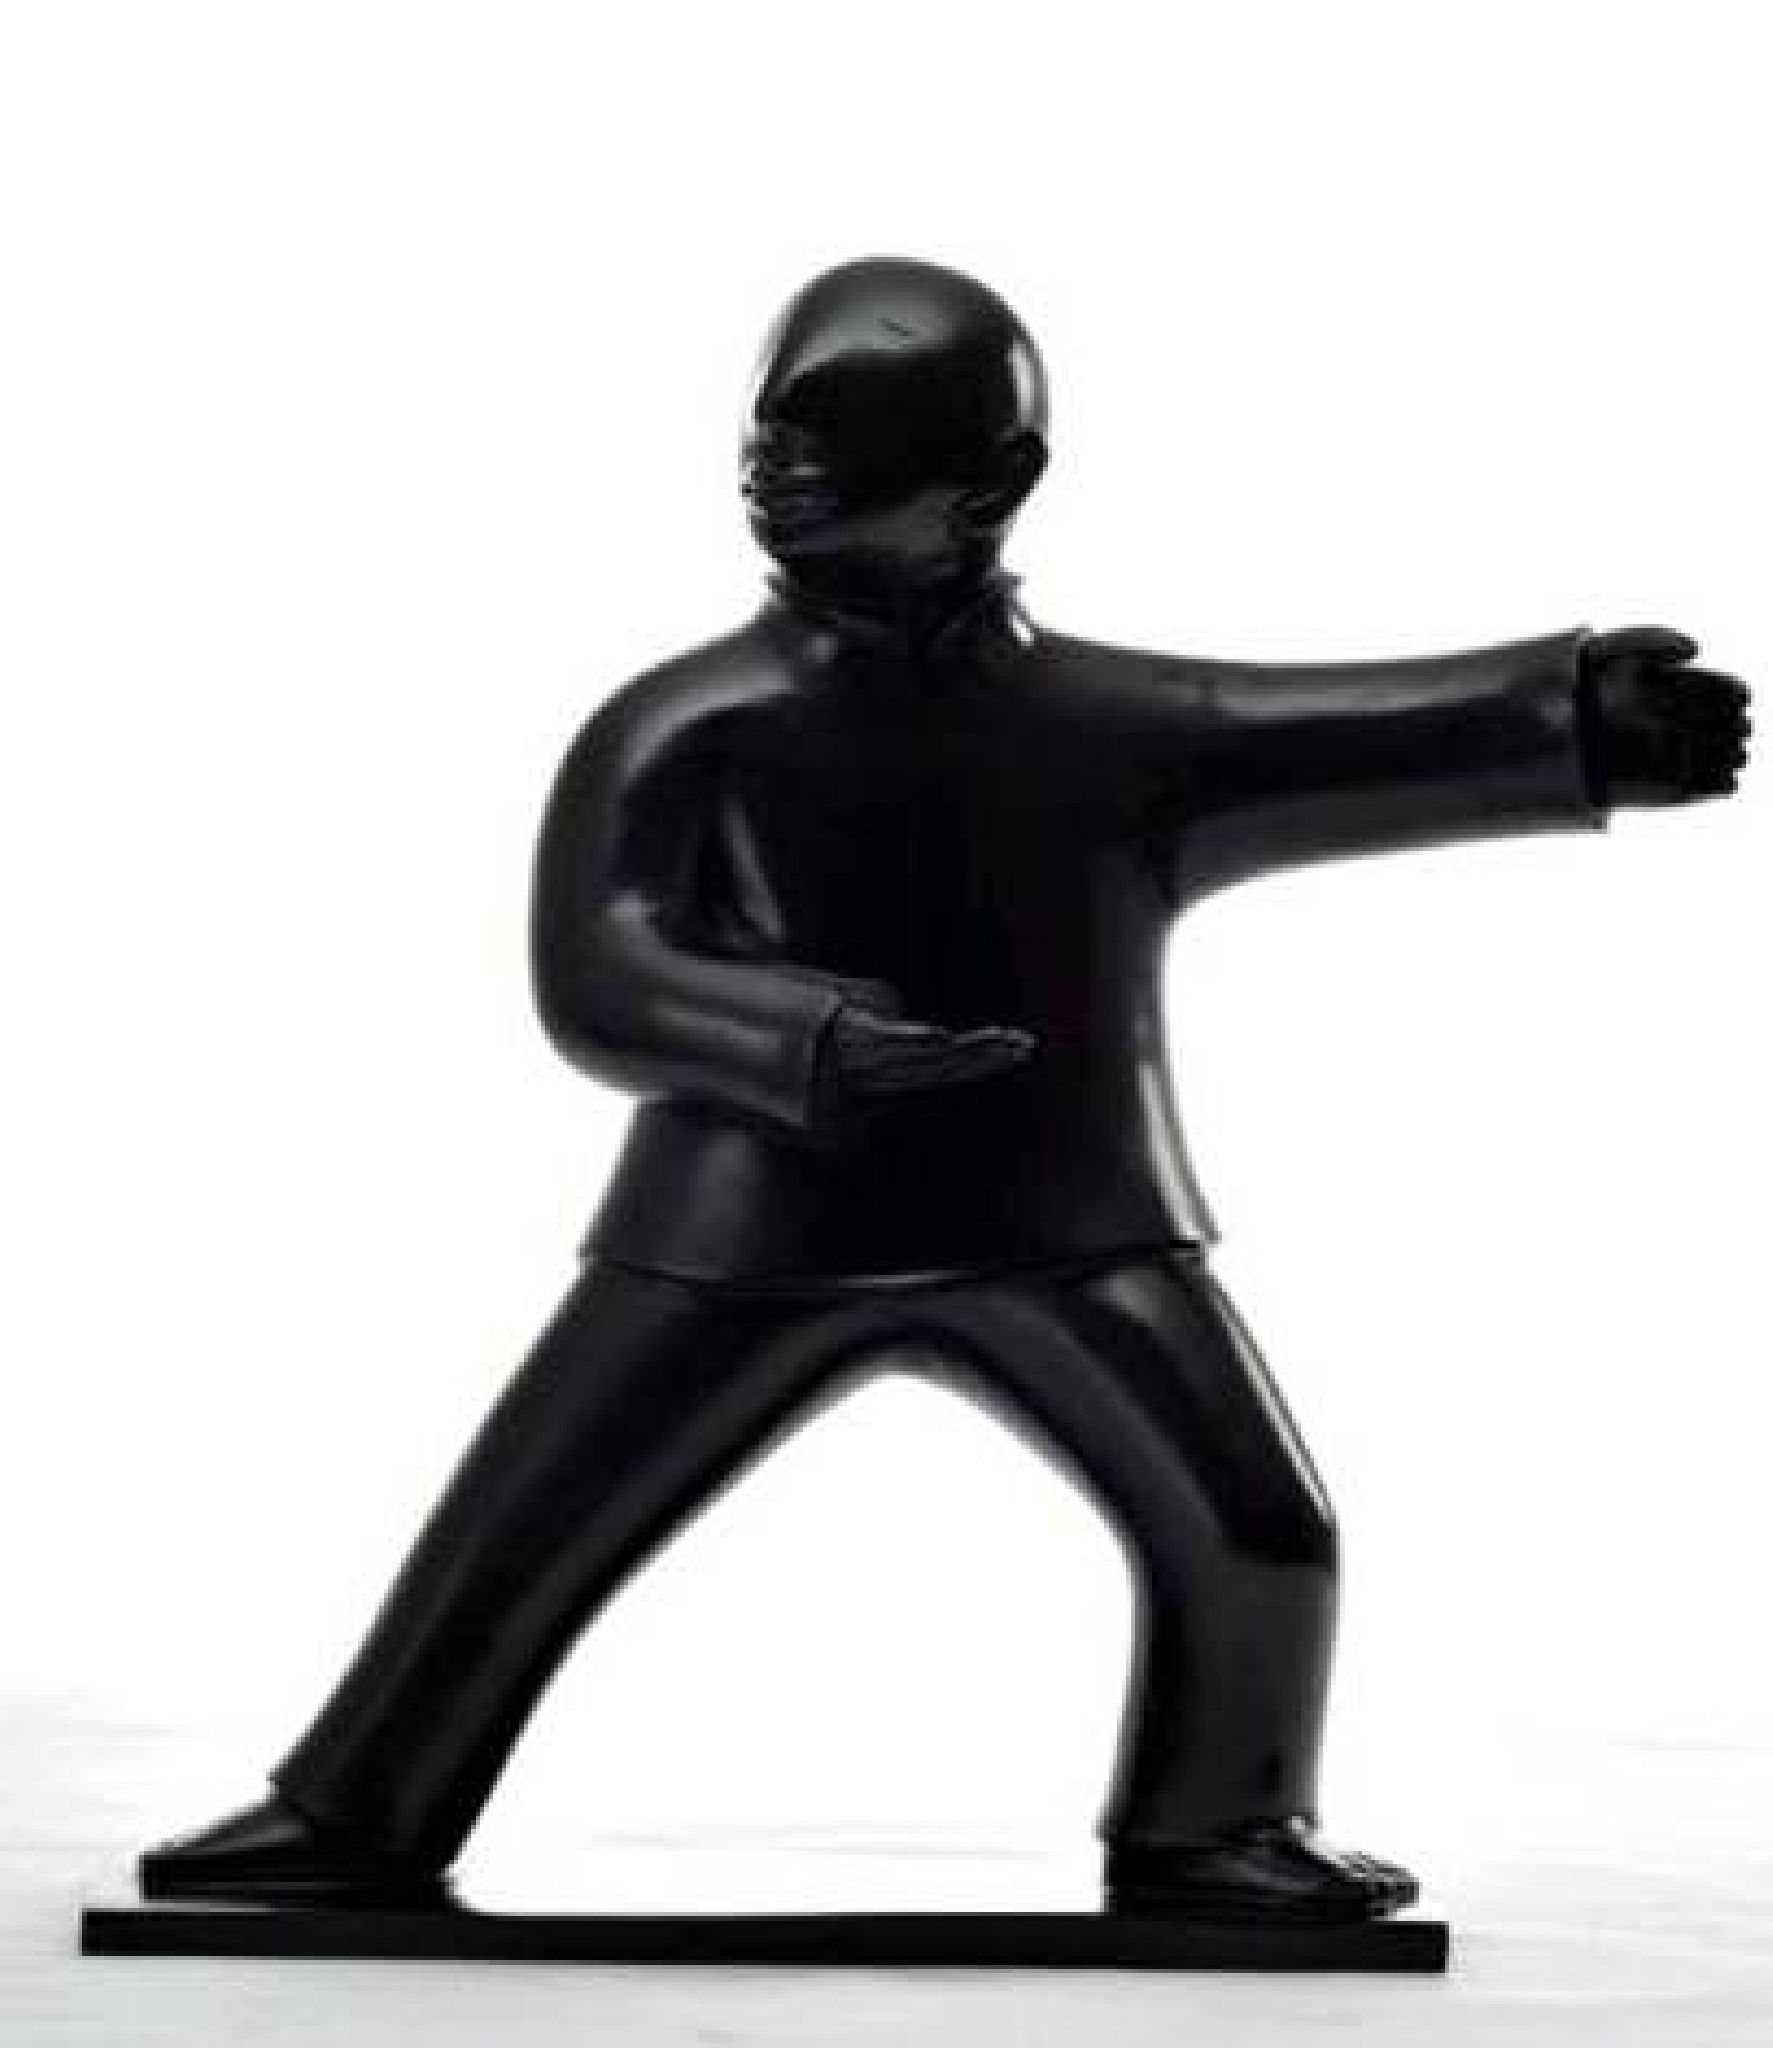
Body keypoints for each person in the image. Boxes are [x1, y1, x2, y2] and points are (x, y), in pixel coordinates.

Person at [143, 258, 1749, 1921]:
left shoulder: (1108, 726)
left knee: (1259, 1531)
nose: (769, 462)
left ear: (993, 483)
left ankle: (1214, 1826)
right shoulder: (685, 726)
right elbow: (596, 978)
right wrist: (805, 1045)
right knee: (518, 1535)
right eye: (764, 424)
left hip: (1062, 1233)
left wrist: (1566, 721)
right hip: (737, 1239)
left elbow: (1334, 730)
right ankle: (357, 1815)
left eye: (827, 430)